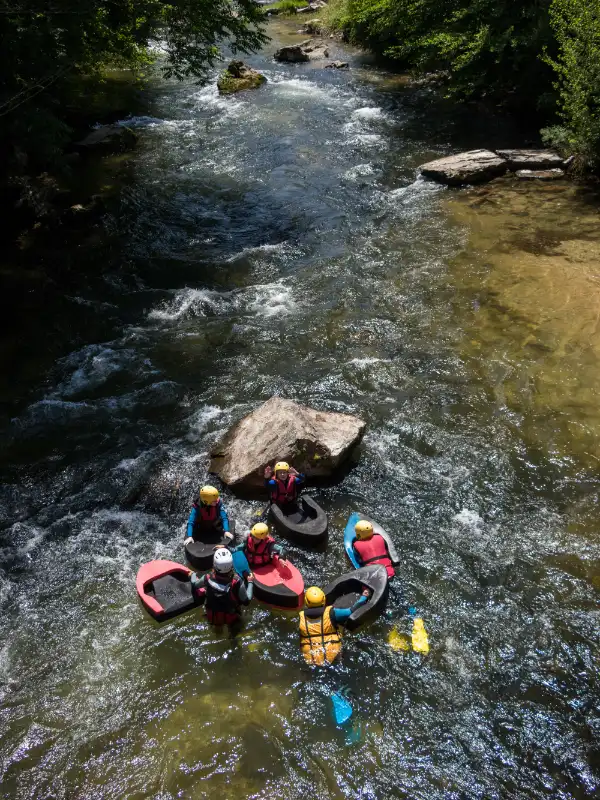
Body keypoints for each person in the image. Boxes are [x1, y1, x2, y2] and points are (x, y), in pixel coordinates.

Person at [299, 586, 369, 666]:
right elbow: (350, 611)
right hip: (333, 654)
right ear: (323, 599)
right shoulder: (332, 612)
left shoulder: (301, 618)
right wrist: (364, 597)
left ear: (306, 601)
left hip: (311, 659)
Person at [191, 547, 253, 626]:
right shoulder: (237, 581)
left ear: (214, 564)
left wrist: (192, 574)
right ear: (231, 565)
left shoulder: (207, 577)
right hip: (231, 617)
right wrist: (250, 581)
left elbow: (195, 584)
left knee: (217, 630)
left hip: (213, 616)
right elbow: (246, 601)